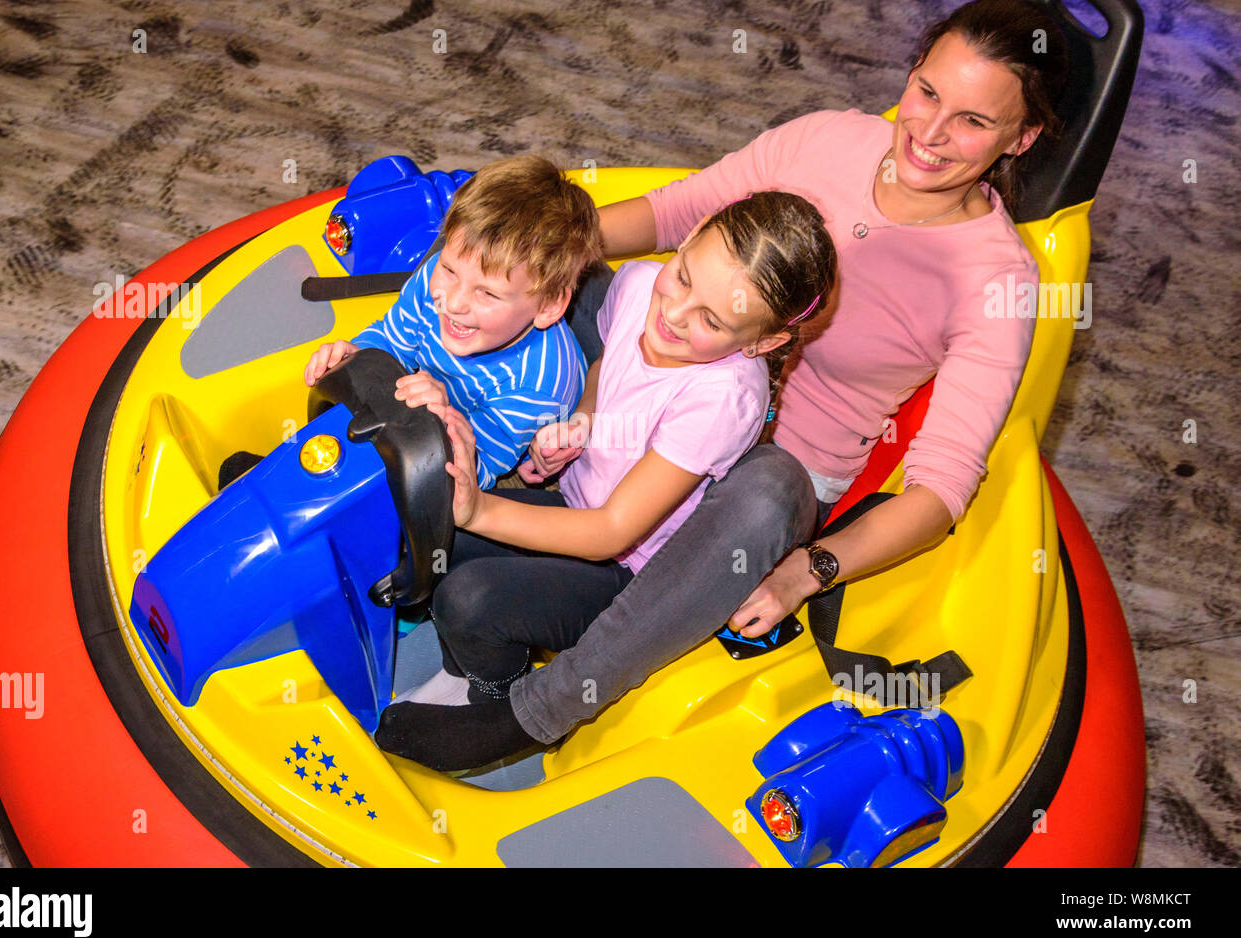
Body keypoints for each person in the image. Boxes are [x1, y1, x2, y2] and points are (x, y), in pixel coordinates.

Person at [376, 0, 1069, 771]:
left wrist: (808, 569)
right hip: (656, 395)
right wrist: (520, 254)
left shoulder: (994, 280)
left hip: (765, 473)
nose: (931, 133)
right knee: (590, 288)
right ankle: (381, 449)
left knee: (769, 486)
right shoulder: (831, 139)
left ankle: (540, 709)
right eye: (927, 91)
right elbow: (679, 211)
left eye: (973, 121)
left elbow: (941, 490)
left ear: (1022, 138)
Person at [374, 192, 837, 768]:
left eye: (712, 320)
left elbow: (613, 532)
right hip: (571, 502)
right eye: (684, 276)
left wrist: (479, 513)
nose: (674, 314)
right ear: (684, 243)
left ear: (762, 342)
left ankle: (491, 689)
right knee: (418, 525)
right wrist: (584, 420)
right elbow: (605, 362)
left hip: (623, 569)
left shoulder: (724, 398)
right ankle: (456, 661)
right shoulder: (641, 284)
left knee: (470, 598)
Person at [301, 153, 601, 488]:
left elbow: (480, 473)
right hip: (428, 403)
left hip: (497, 458)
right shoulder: (434, 279)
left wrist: (444, 420)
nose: (453, 302)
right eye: (449, 269)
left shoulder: (535, 386)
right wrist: (356, 354)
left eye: (487, 294)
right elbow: (390, 339)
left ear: (547, 307)